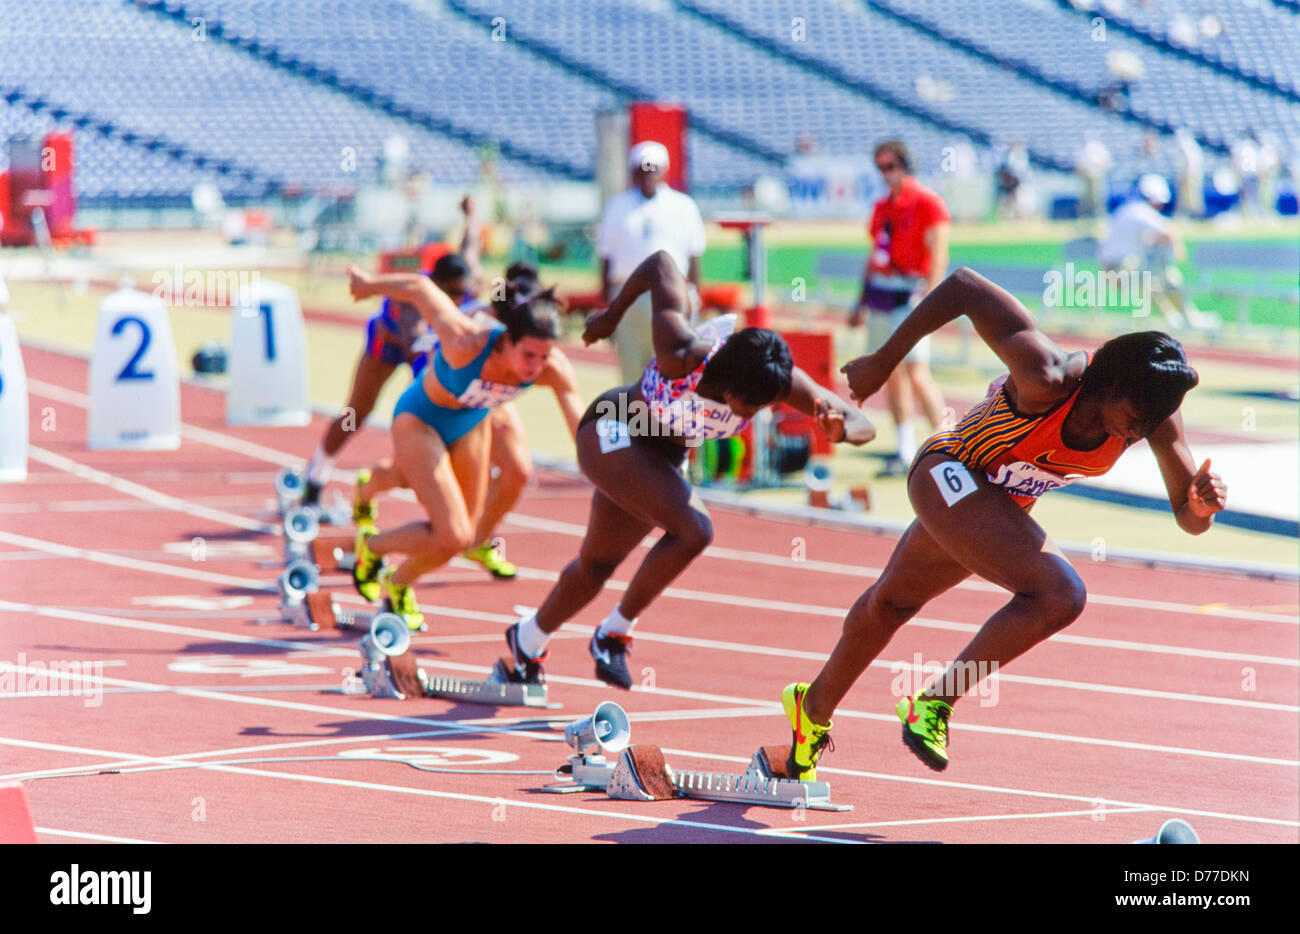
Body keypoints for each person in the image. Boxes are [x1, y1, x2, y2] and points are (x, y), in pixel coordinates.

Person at [780, 267, 1227, 780]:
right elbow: (964, 286)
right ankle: (934, 704)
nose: (1139, 431)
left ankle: (809, 712)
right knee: (1061, 593)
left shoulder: (1153, 415)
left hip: (996, 505)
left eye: (1150, 424)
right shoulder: (1047, 374)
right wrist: (884, 360)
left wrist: (1201, 507)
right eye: (1135, 418)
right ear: (1110, 383)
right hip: (949, 470)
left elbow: (1189, 517)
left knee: (891, 603)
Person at [499, 250, 876, 689]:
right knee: (695, 530)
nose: (758, 413)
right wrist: (611, 316)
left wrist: (841, 430)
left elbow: (861, 422)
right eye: (752, 407)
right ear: (729, 384)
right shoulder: (680, 351)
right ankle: (614, 634)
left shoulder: (776, 379)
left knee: (595, 567)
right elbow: (660, 263)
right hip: (614, 430)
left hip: (659, 458)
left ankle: (527, 640)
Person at [345, 265, 584, 630]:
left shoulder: (552, 368)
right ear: (507, 340)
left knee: (461, 538)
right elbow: (418, 285)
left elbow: (582, 431)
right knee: (452, 532)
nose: (536, 368)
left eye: (545, 356)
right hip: (420, 421)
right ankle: (373, 546)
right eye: (529, 356)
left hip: (471, 425)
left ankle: (396, 584)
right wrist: (368, 285)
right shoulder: (466, 342)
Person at [300, 201, 484, 509]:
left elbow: (471, 246)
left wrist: (470, 217)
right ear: (434, 285)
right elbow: (416, 343)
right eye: (449, 293)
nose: (454, 299)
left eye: (459, 293)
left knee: (440, 410)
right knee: (356, 413)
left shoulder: (467, 280)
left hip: (429, 342)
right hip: (388, 342)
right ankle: (315, 479)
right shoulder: (415, 299)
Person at [849, 140, 949, 477]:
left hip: (911, 293)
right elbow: (873, 255)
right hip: (881, 292)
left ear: (905, 165)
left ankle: (948, 446)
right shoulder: (883, 206)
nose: (885, 174)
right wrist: (858, 301)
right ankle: (905, 450)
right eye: (880, 168)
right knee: (890, 373)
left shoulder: (927, 203)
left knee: (918, 372)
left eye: (890, 167)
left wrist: (932, 302)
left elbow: (938, 256)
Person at [597, 141, 707, 385]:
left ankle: (669, 421)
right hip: (629, 295)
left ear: (663, 170)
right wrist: (607, 303)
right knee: (632, 365)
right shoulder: (618, 206)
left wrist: (694, 293)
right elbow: (606, 255)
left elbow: (693, 255)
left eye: (652, 168)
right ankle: (637, 422)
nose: (647, 174)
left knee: (675, 363)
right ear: (634, 172)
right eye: (642, 169)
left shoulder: (683, 206)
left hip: (673, 295)